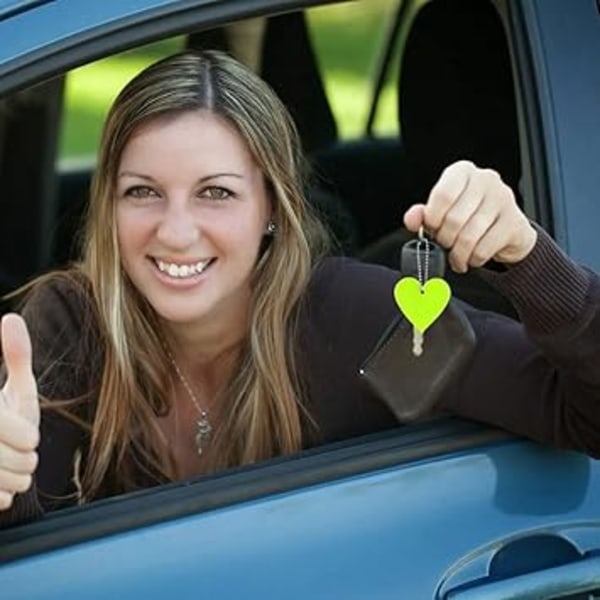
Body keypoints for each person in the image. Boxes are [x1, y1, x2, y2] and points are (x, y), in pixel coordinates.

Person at [0, 50, 599, 528]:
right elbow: (34, 561)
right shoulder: (71, 323)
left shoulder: (351, 320)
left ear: (272, 208)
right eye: (142, 191)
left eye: (216, 192)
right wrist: (7, 489)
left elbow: (584, 417)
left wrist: (529, 259)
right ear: (107, 205)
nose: (176, 232)